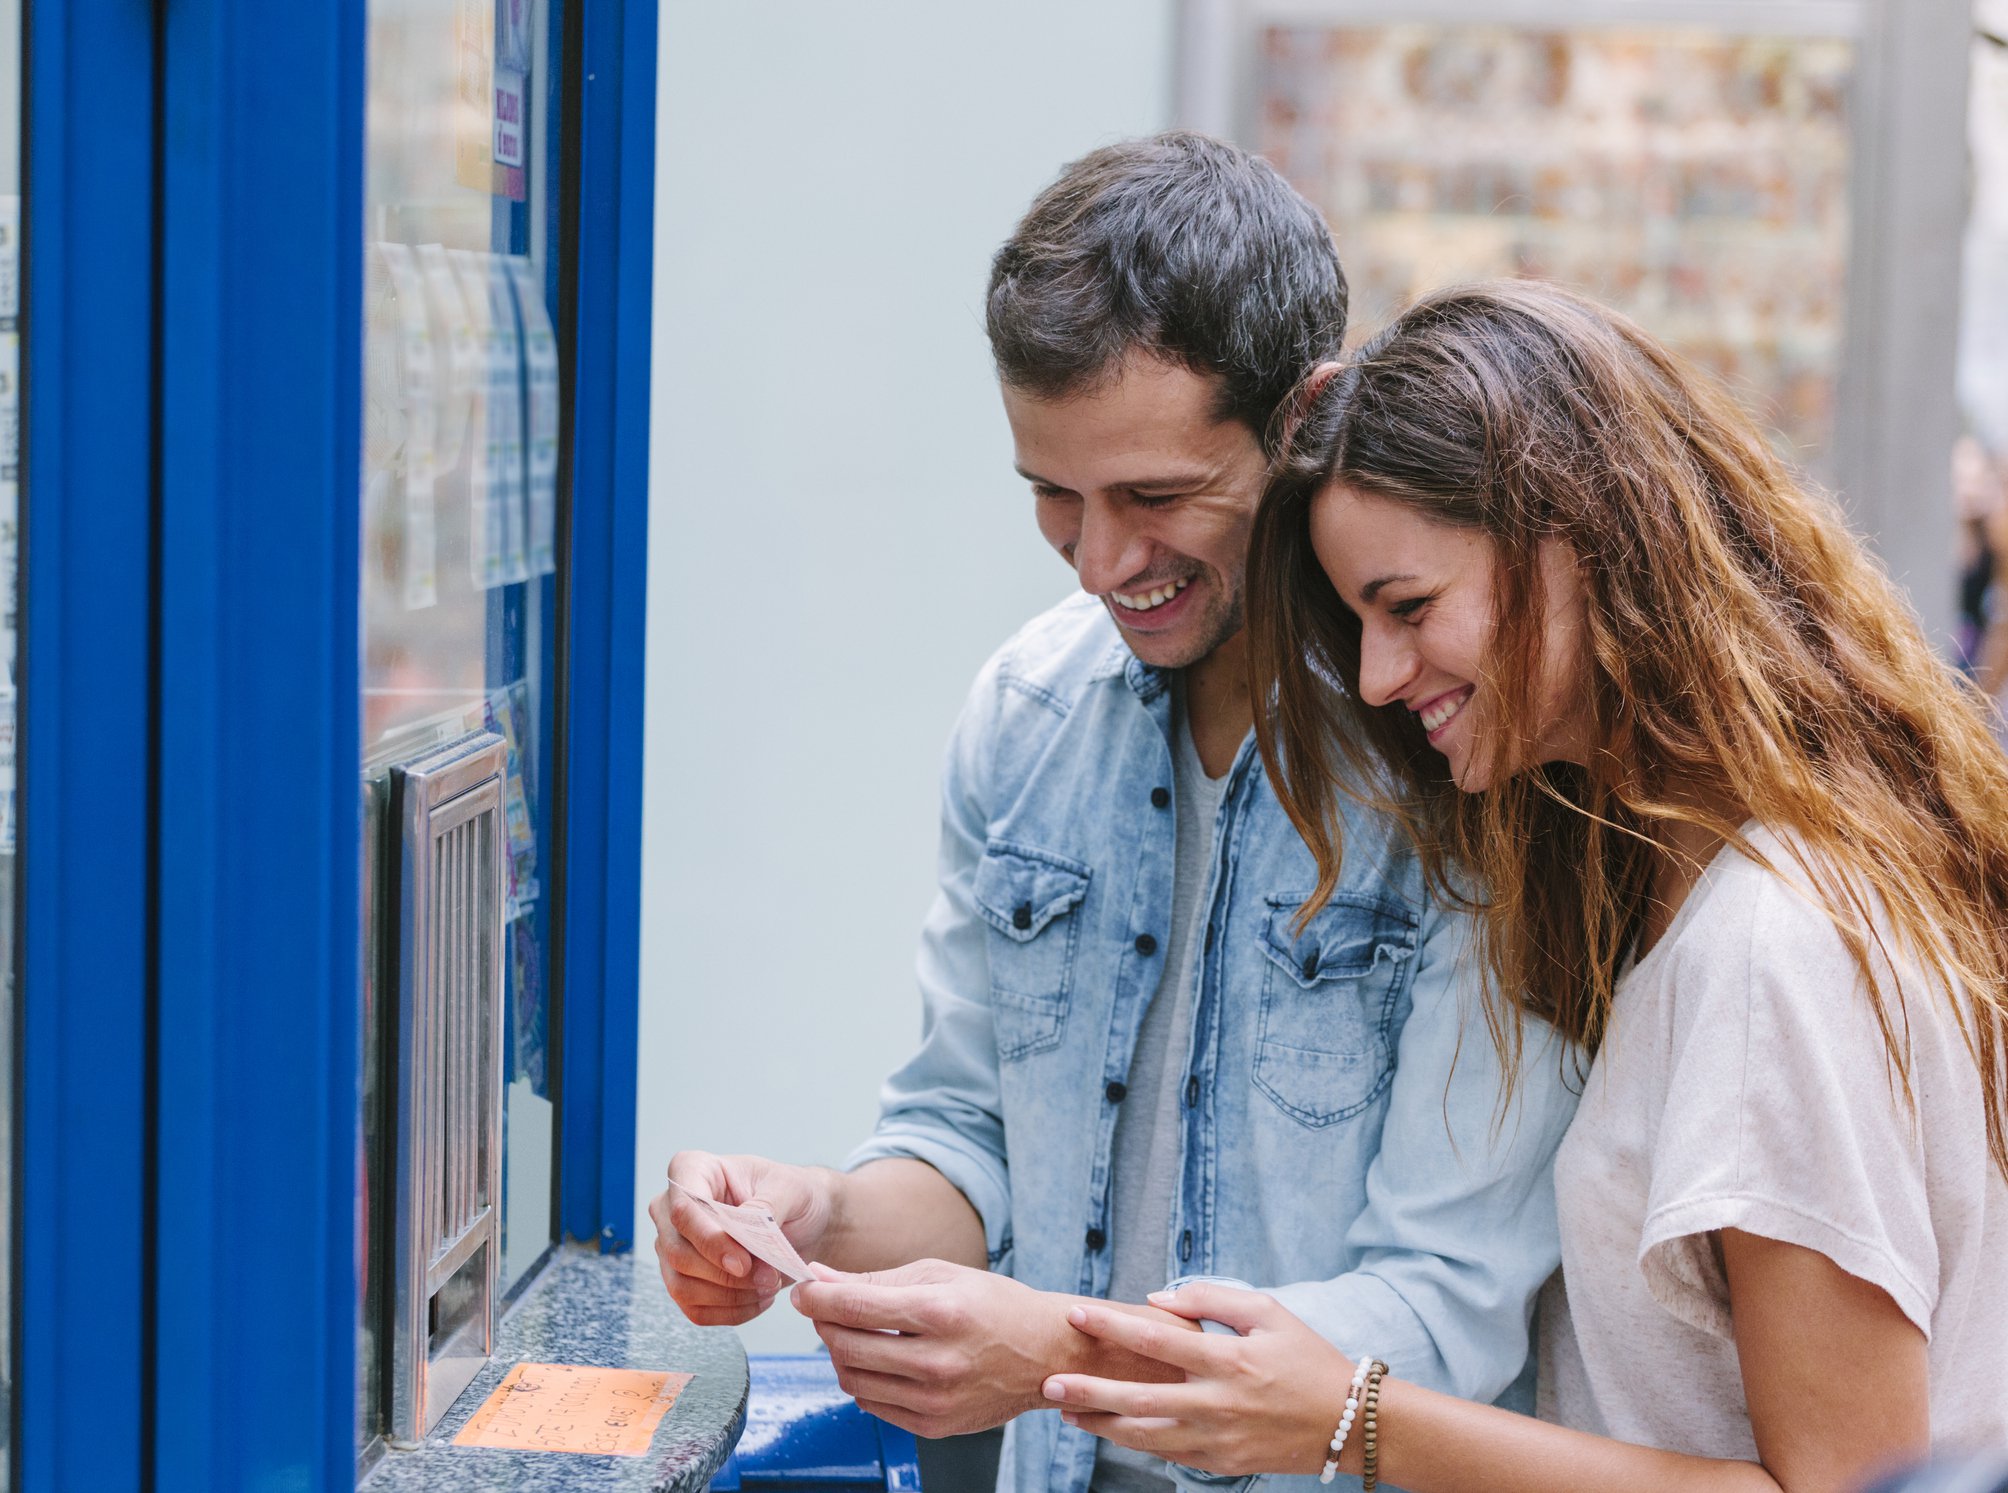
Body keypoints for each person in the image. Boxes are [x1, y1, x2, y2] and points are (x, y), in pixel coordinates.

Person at [649, 138, 1579, 1493]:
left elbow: (1443, 1312)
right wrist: (820, 1213)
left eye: (1156, 498)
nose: (1100, 563)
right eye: (1053, 498)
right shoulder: (1026, 719)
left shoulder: (1466, 758)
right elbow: (970, 1138)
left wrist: (1055, 1356)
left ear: (1305, 420)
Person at [1040, 281, 2008, 1490]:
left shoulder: (1769, 948)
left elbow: (1844, 1486)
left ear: (1582, 540)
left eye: (1408, 607)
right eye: (1359, 627)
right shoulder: (1682, 871)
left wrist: (1351, 1415)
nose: (1381, 676)